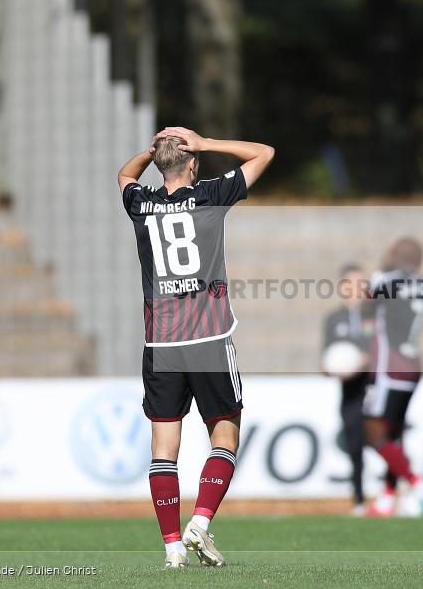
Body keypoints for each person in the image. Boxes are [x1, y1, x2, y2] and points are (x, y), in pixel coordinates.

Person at [117, 126, 274, 568]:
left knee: (163, 449)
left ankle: (171, 550)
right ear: (191, 163)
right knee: (224, 438)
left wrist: (152, 152)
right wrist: (205, 143)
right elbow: (264, 152)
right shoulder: (209, 195)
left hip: (161, 342)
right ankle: (200, 523)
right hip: (208, 338)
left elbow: (123, 175)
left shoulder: (142, 205)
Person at [362, 237, 423, 517]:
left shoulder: (385, 280)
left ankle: (419, 486)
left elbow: (365, 308)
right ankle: (387, 498)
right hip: (412, 366)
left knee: (372, 433)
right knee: (393, 433)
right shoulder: (422, 283)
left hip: (388, 367)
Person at [322, 264, 372, 516]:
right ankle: (359, 499)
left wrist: (365, 360)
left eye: (362, 283)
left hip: (373, 385)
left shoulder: (374, 316)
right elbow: (327, 355)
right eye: (352, 284)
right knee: (355, 444)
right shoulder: (334, 319)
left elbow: (383, 350)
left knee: (386, 440)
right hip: (350, 391)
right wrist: (332, 367)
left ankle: (394, 493)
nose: (358, 289)